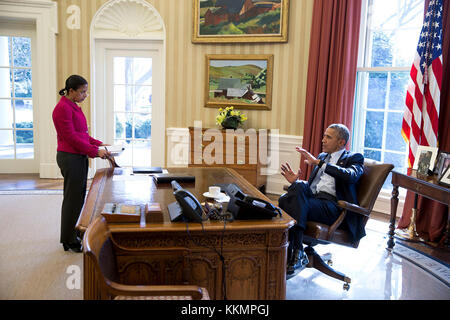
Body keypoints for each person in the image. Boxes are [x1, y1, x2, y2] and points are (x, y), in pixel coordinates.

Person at [278, 123, 364, 278]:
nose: (323, 140)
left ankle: (290, 252)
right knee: (291, 193)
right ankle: (297, 251)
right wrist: (295, 182)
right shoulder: (322, 156)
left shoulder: (354, 158)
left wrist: (320, 163)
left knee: (288, 201)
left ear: (341, 142)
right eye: (324, 136)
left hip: (333, 207)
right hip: (313, 201)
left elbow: (350, 176)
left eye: (328, 137)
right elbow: (312, 187)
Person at [52, 75, 110, 252]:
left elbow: (82, 134)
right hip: (70, 158)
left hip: (77, 156)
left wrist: (99, 144)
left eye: (86, 91)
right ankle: (68, 239)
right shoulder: (62, 108)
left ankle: (71, 232)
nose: (85, 95)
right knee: (73, 199)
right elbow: (70, 137)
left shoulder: (73, 106)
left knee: (78, 198)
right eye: (82, 91)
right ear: (71, 91)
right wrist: (94, 152)